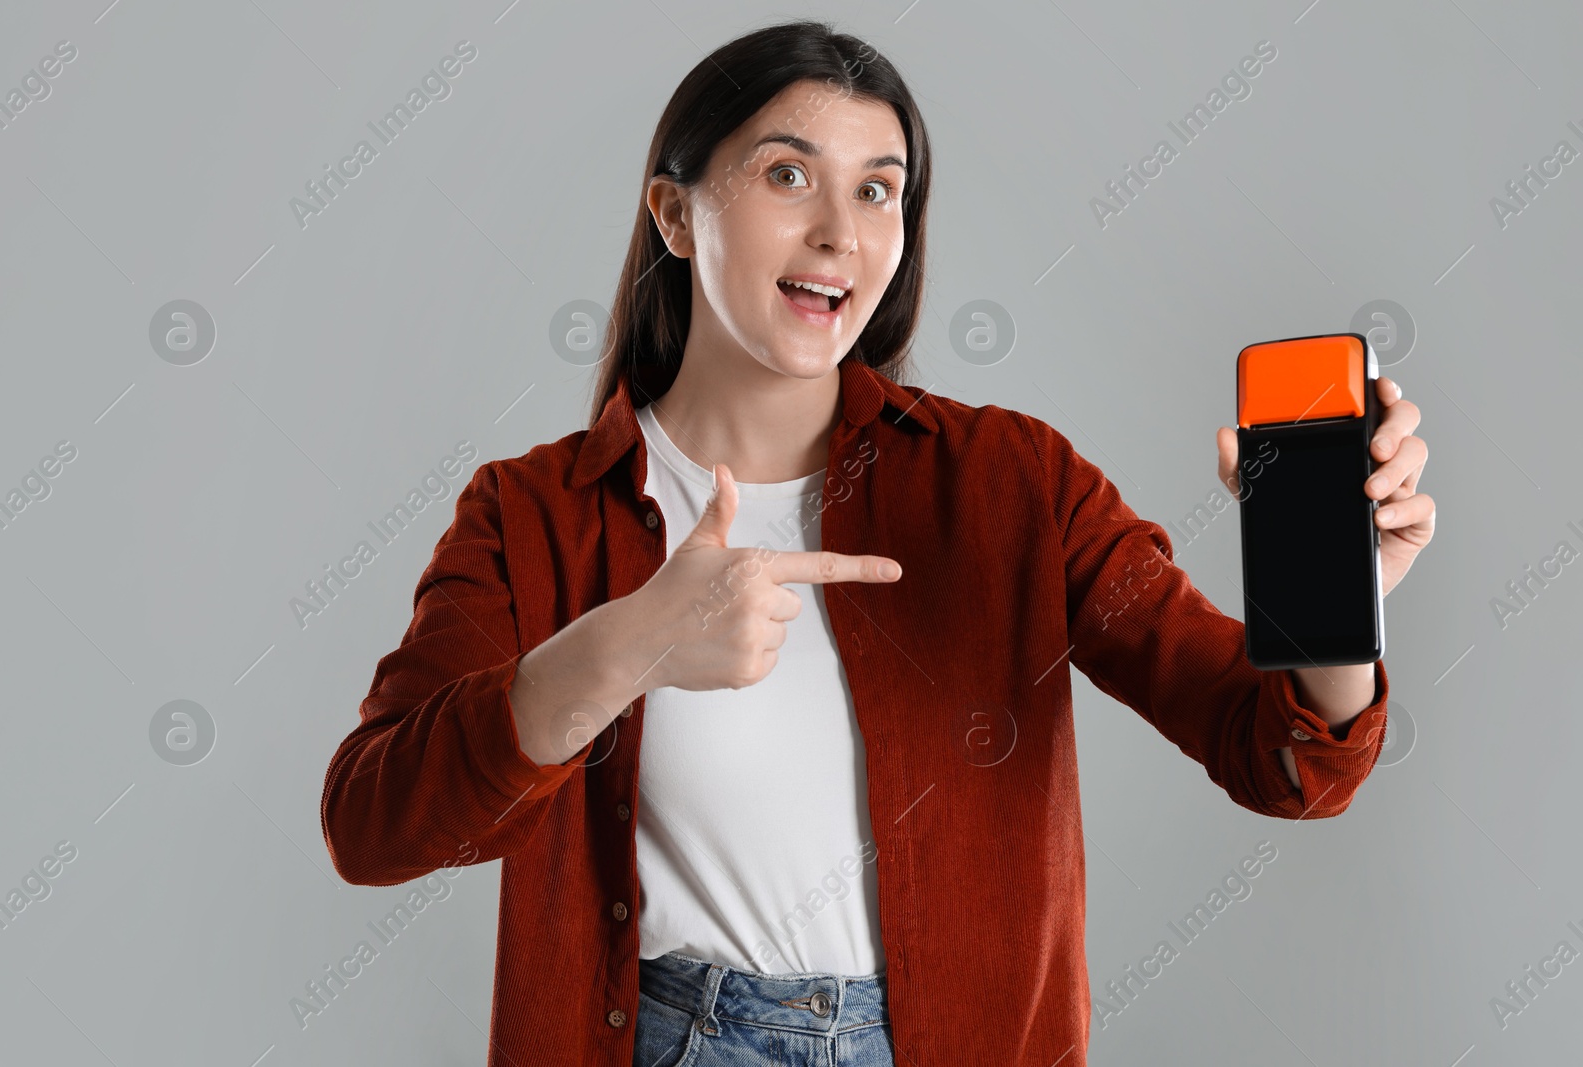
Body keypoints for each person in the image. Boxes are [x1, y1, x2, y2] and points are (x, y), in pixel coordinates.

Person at [320, 18, 1434, 1067]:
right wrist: (630, 644)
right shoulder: (530, 512)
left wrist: (1339, 601)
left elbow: (1285, 760)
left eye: (878, 191)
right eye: (787, 174)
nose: (838, 234)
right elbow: (372, 824)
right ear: (673, 212)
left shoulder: (1013, 481)